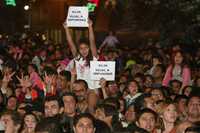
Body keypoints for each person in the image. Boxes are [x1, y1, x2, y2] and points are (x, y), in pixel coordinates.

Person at [63, 19, 100, 90]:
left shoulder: (94, 57)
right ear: (78, 50)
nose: (84, 50)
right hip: (79, 88)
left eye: (86, 48)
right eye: (81, 48)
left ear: (90, 48)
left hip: (92, 89)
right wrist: (66, 28)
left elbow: (92, 41)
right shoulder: (78, 58)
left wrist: (90, 27)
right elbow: (70, 43)